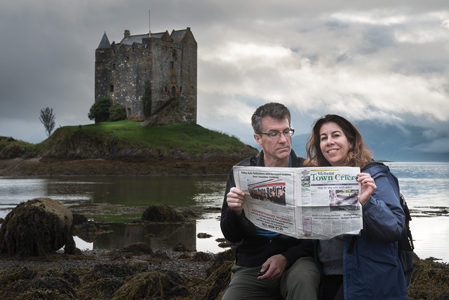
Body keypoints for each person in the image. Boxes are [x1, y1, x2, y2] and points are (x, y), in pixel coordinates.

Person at [220, 102, 320, 300]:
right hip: (252, 265)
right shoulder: (241, 172)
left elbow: (320, 233)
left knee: (304, 284)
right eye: (274, 134)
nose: (283, 140)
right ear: (258, 139)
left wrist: (286, 257)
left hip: (297, 260)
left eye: (286, 131)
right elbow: (230, 234)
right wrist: (236, 211)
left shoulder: (308, 170)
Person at [305, 114, 408, 300]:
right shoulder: (319, 178)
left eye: (336, 135)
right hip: (327, 275)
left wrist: (368, 202)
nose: (329, 142)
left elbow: (395, 229)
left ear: (351, 143)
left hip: (365, 279)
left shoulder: (376, 176)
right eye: (323, 138)